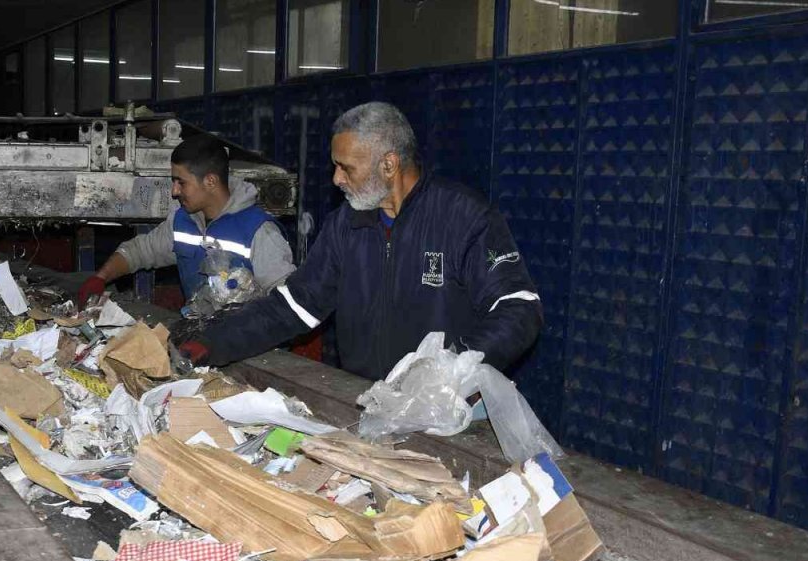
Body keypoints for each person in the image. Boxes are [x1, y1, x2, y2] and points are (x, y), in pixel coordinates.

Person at [179, 102, 543, 380]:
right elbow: (293, 305)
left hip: (448, 411)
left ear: (388, 165)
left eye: (346, 167)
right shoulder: (345, 227)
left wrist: (449, 373)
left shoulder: (463, 217)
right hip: (368, 401)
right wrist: (213, 342)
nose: (336, 178)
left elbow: (519, 307)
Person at [77, 135, 295, 307]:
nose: (174, 191)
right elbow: (140, 251)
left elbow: (286, 303)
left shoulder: (258, 231)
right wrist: (101, 277)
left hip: (250, 350)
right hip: (200, 334)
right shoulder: (183, 221)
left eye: (180, 182)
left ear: (210, 181)